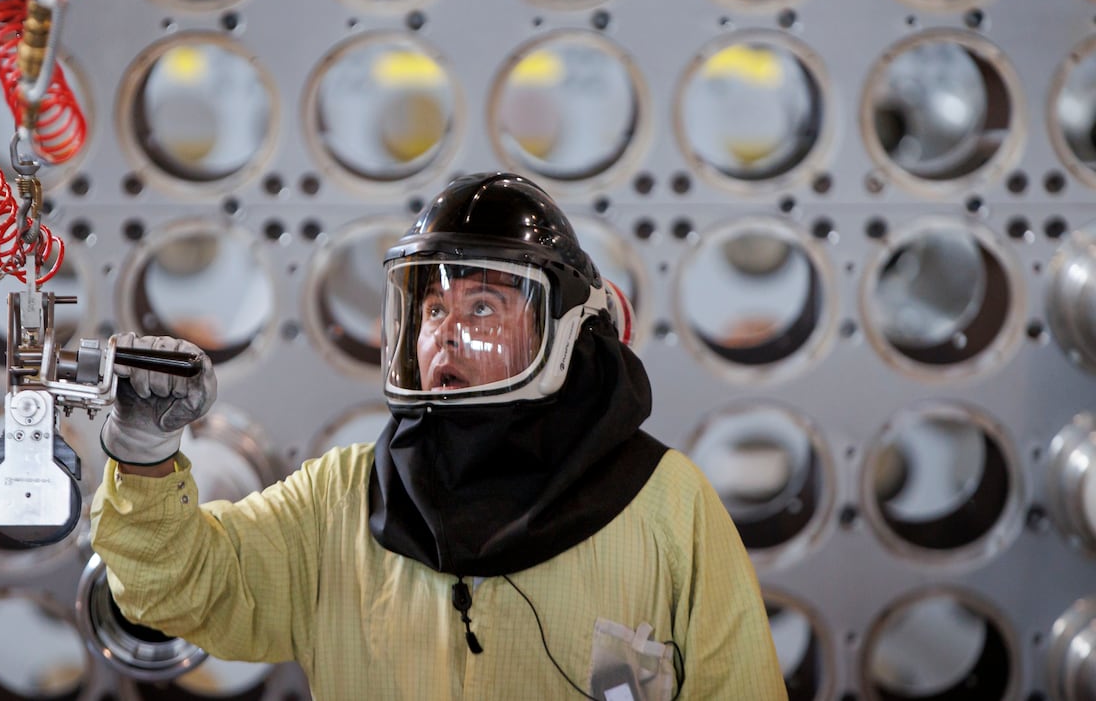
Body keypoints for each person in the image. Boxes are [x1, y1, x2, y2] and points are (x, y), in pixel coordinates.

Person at [91, 172, 787, 700]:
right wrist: (146, 459)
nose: (446, 331)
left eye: (481, 304)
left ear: (564, 330)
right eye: (430, 307)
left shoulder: (666, 505)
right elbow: (181, 590)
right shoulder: (341, 501)